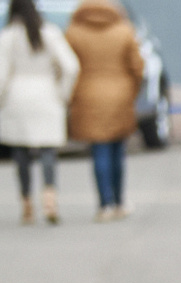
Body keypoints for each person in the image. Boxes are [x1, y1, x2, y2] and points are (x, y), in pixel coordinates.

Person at [0, 0, 73, 226]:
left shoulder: (7, 36)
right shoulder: (50, 33)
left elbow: (1, 75)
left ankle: (27, 204)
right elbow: (71, 66)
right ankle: (50, 199)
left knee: (21, 154)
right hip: (47, 95)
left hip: (17, 97)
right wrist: (63, 93)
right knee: (48, 151)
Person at [65, 0, 143, 222]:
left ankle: (104, 205)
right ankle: (119, 201)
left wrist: (72, 96)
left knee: (99, 151)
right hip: (120, 94)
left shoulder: (73, 32)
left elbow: (67, 67)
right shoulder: (124, 30)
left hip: (88, 95)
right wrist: (131, 90)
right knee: (118, 151)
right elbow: (138, 66)